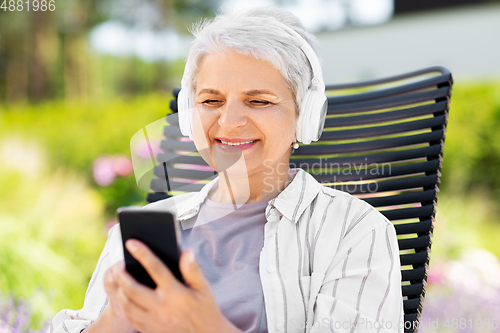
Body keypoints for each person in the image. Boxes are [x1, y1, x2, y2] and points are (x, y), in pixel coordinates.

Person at [48, 6, 403, 333]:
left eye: (259, 101)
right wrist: (118, 318)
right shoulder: (141, 231)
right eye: (211, 101)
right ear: (189, 114)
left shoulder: (353, 232)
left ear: (305, 117)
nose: (229, 122)